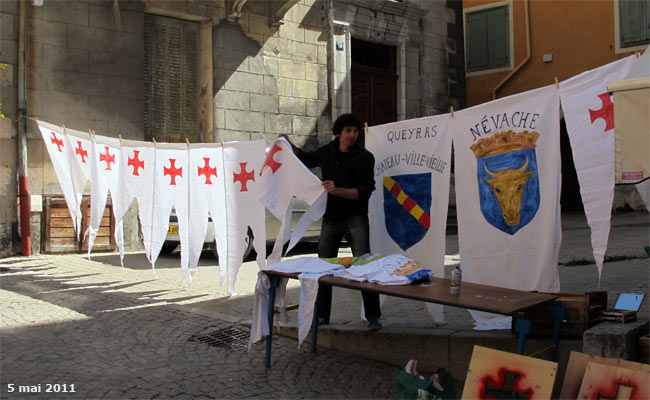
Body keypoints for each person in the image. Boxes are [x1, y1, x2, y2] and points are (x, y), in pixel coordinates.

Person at [281, 113, 382, 329]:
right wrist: (289, 145)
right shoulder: (328, 151)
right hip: (331, 217)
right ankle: (321, 315)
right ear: (339, 132)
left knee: (364, 265)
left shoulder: (365, 157)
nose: (352, 135)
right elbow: (307, 159)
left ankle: (373, 315)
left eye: (355, 131)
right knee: (324, 267)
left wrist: (337, 190)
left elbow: (364, 192)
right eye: (348, 131)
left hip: (356, 217)